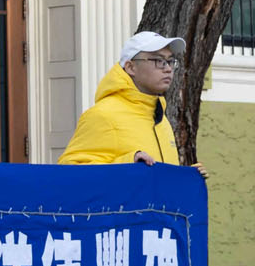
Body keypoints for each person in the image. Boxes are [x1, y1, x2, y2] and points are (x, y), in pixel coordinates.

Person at [58, 30, 208, 180]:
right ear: (130, 67)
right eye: (158, 60)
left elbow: (157, 180)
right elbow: (70, 172)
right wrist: (130, 163)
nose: (168, 68)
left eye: (170, 61)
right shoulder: (103, 115)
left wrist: (186, 177)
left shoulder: (160, 119)